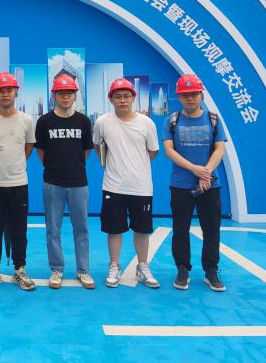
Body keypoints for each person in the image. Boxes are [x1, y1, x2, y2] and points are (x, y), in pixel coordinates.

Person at [93, 78, 160, 289]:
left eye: (126, 96)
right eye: (118, 97)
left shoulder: (147, 123)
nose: (122, 100)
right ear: (111, 99)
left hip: (141, 186)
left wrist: (135, 166)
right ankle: (114, 265)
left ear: (133, 98)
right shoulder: (102, 122)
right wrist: (113, 165)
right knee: (114, 229)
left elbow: (152, 151)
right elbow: (97, 146)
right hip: (113, 186)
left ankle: (143, 266)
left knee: (142, 229)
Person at [163, 73, 227, 292]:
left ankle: (211, 271)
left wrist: (206, 173)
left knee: (212, 230)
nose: (190, 98)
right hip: (180, 185)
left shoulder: (213, 119)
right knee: (180, 229)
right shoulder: (172, 121)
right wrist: (194, 169)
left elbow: (220, 148)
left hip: (210, 185)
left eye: (194, 94)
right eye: (185, 95)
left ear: (201, 95)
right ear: (179, 97)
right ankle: (183, 269)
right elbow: (169, 150)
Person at [35, 73, 95, 290]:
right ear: (54, 95)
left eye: (69, 93)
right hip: (52, 183)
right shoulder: (44, 121)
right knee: (53, 229)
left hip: (79, 183)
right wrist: (54, 167)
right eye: (61, 93)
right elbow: (41, 150)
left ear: (75, 95)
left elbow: (86, 150)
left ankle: (83, 270)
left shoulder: (83, 121)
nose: (65, 96)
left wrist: (73, 166)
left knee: (82, 228)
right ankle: (56, 269)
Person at [0, 72, 36, 292]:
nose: (5, 94)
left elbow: (28, 148)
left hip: (19, 182)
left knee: (20, 229)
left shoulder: (27, 120)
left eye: (9, 90)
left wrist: (14, 165)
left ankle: (20, 270)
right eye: (1, 91)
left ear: (16, 92)